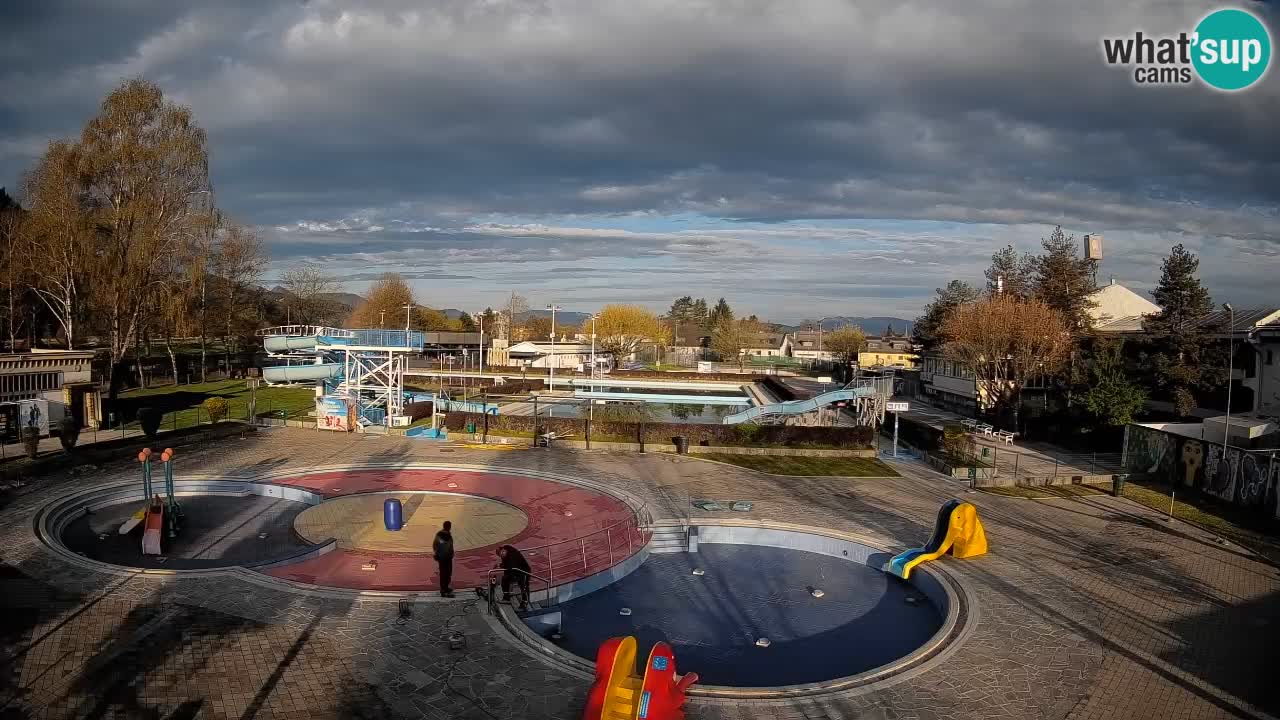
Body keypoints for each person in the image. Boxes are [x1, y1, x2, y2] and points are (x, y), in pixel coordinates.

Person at [496, 544, 531, 609]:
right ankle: (506, 597)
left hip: (523, 570)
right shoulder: (505, 555)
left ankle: (525, 601)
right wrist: (500, 565)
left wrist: (502, 566)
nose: (502, 556)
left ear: (504, 550)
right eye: (500, 556)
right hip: (514, 569)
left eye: (502, 554)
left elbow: (511, 566)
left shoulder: (513, 555)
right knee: (505, 579)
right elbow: (507, 565)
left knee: (523, 585)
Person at [433, 521, 455, 598]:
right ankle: (443, 590)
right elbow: (448, 546)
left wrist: (436, 553)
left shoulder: (441, 535)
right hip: (444, 557)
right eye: (450, 526)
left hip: (445, 557)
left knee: (446, 573)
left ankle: (445, 588)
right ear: (448, 527)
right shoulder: (445, 535)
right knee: (445, 573)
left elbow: (435, 545)